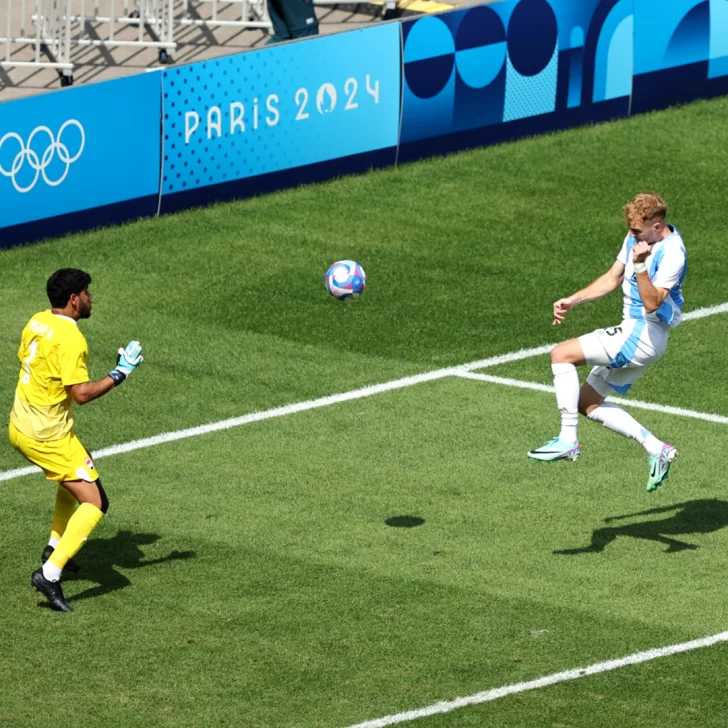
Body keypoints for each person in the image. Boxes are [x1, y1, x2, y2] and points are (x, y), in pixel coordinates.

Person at [528, 192, 687, 491]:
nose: (630, 235)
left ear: (656, 225)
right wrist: (573, 301)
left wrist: (640, 266)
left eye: (636, 231)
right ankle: (657, 449)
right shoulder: (637, 239)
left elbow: (652, 303)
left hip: (643, 334)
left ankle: (568, 441)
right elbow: (613, 278)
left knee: (561, 354)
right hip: (635, 332)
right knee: (586, 402)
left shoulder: (673, 253)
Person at [8, 268, 143, 612]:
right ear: (73, 299)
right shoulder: (71, 339)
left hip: (20, 425)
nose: (90, 297)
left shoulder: (36, 321)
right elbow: (81, 394)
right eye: (87, 292)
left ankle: (56, 548)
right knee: (96, 502)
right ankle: (49, 574)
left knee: (82, 463)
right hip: (46, 435)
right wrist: (120, 374)